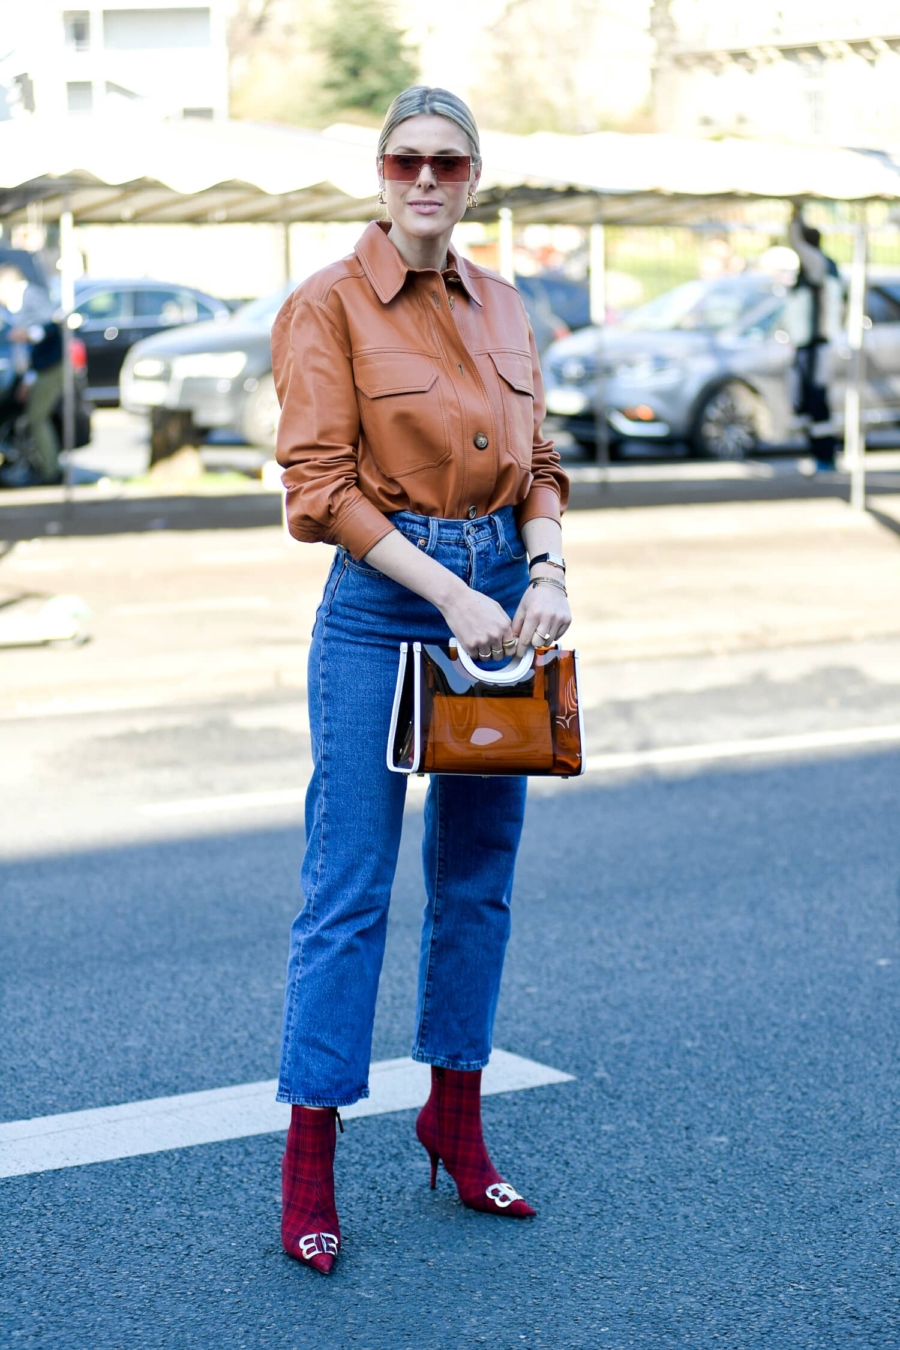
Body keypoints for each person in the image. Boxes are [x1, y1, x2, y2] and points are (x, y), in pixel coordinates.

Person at [271, 86, 571, 1275]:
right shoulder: (326, 307)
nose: (427, 179)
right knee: (348, 888)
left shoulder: (503, 306)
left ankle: (456, 1119)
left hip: (504, 604)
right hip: (387, 607)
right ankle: (309, 1158)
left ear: (476, 175)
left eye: (449, 161)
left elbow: (539, 462)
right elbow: (318, 489)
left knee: (478, 881)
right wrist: (449, 594)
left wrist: (545, 570)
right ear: (380, 173)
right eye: (407, 161)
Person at [788, 206, 842, 473]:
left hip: (816, 346)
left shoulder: (817, 263)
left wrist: (794, 212)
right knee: (809, 402)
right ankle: (820, 454)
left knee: (817, 401)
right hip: (809, 346)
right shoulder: (820, 266)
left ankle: (825, 456)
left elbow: (795, 241)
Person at [0, 263, 64, 486]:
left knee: (37, 418)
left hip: (52, 366)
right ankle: (45, 467)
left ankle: (51, 472)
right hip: (41, 368)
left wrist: (27, 334)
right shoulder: (21, 302)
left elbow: (52, 325)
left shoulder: (31, 295)